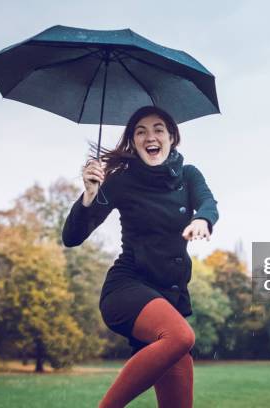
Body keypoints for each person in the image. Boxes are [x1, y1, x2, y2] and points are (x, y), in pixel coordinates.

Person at [62, 105, 219, 408]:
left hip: (167, 298)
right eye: (141, 131)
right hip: (127, 288)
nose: (151, 136)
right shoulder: (121, 181)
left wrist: (202, 219)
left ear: (172, 137)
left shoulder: (188, 176)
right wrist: (91, 194)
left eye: (159, 129)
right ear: (133, 142)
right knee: (182, 337)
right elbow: (72, 237)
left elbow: (208, 201)